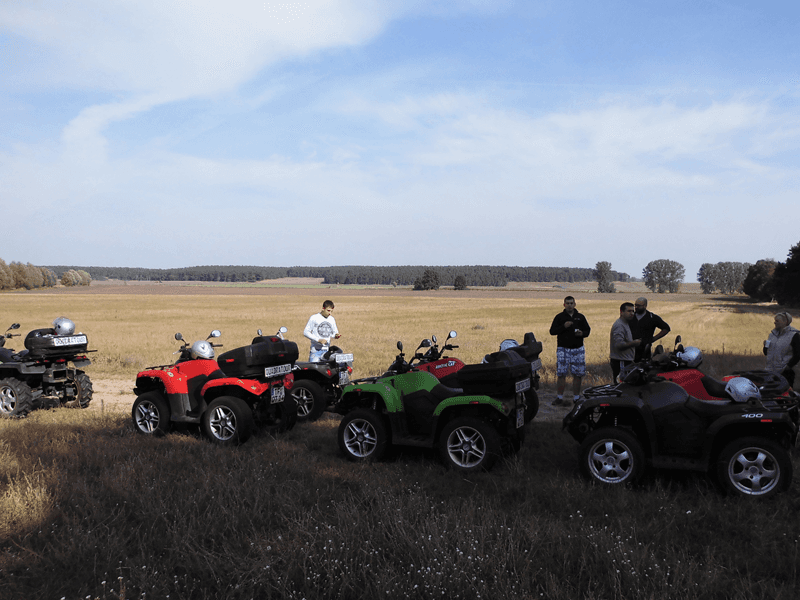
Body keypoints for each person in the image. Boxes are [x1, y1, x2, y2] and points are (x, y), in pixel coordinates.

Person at [549, 296, 591, 406]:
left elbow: (587, 330)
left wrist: (582, 334)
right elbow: (552, 331)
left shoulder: (580, 317)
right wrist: (564, 326)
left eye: (571, 303)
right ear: (564, 305)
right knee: (561, 373)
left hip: (578, 349)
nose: (569, 305)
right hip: (563, 349)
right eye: (567, 303)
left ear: (575, 304)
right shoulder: (559, 317)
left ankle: (576, 398)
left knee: (578, 374)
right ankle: (559, 397)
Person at [763, 312, 799, 388]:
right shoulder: (772, 335)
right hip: (770, 372)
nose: (774, 322)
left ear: (785, 322)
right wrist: (765, 346)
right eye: (775, 320)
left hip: (785, 373)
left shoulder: (794, 335)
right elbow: (766, 353)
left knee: (785, 394)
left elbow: (798, 354)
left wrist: (788, 367)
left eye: (777, 321)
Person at [629, 297, 670, 362]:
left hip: (644, 352)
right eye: (635, 305)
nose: (636, 307)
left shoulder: (652, 318)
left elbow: (666, 328)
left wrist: (653, 339)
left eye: (638, 305)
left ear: (645, 306)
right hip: (629, 350)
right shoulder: (630, 316)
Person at [610, 302, 641, 384]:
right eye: (629, 311)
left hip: (625, 360)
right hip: (621, 361)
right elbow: (619, 345)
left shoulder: (625, 323)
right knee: (622, 386)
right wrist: (634, 343)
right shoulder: (619, 325)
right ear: (621, 312)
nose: (632, 313)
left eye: (633, 311)